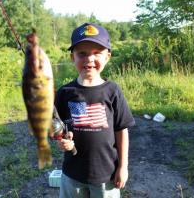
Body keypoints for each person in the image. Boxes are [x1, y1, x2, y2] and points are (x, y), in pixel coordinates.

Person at [55, 22, 135, 198]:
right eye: (82, 53)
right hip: (72, 175)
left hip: (107, 177)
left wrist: (123, 167)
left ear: (107, 56)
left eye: (97, 53)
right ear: (72, 57)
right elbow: (55, 127)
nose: (89, 59)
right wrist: (61, 140)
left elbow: (122, 131)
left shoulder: (112, 91)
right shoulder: (65, 92)